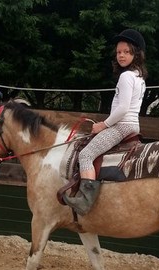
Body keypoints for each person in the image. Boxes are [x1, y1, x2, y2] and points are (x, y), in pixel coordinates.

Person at [63, 29, 147, 215]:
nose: (121, 55)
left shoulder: (126, 77)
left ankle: (85, 202)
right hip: (133, 125)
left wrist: (103, 125)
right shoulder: (139, 77)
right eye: (119, 52)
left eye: (126, 51)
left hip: (122, 126)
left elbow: (123, 108)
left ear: (136, 53)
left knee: (85, 155)